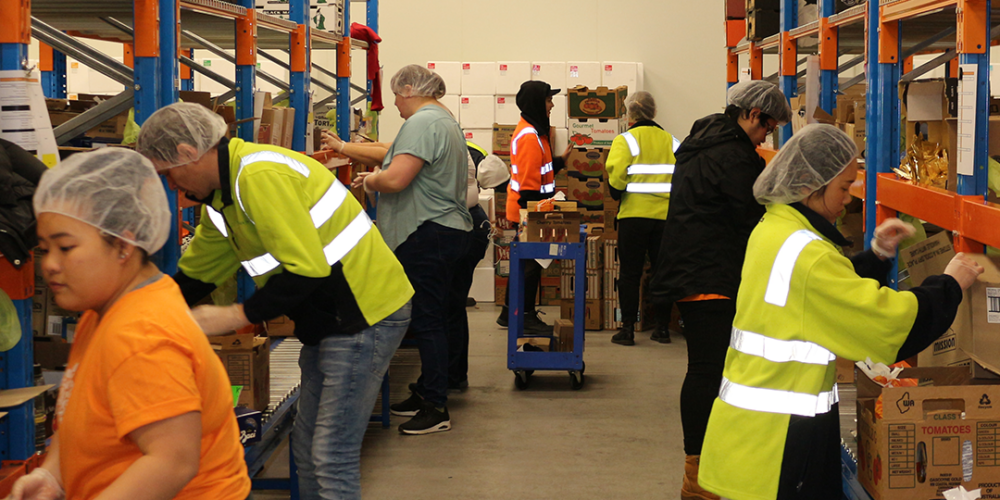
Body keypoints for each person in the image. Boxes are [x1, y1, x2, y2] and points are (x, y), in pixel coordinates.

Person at [135, 102, 413, 499]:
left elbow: (307, 270)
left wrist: (233, 314)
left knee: (331, 454)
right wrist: (141, 311)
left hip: (364, 314)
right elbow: (197, 274)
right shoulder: (221, 198)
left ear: (187, 153)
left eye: (169, 174)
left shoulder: (258, 175)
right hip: (329, 317)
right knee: (306, 446)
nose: (172, 187)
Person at [699, 124, 982, 499]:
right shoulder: (808, 255)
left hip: (753, 434)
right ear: (807, 185)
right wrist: (950, 285)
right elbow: (889, 324)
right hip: (780, 446)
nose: (849, 199)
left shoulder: (777, 229)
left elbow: (822, 295)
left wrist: (878, 255)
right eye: (843, 188)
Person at [12, 148, 250, 500]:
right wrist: (53, 473)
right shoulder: (106, 311)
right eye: (45, 249)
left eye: (65, 247)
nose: (49, 265)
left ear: (123, 245)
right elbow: (79, 411)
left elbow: (171, 461)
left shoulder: (142, 334)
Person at [648, 79, 791, 499]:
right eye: (767, 126)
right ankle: (697, 476)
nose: (767, 135)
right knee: (707, 370)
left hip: (695, 268)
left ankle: (705, 469)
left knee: (707, 369)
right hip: (708, 274)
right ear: (751, 115)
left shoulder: (704, 141)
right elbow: (752, 215)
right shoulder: (732, 156)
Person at [345, 64, 472, 435]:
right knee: (437, 316)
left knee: (427, 319)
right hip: (443, 231)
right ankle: (427, 391)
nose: (396, 103)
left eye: (397, 95)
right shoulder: (443, 120)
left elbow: (397, 178)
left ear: (412, 88)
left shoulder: (422, 122)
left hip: (426, 232)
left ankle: (436, 406)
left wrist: (369, 181)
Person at [604, 91, 679, 346]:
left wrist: (619, 193)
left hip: (634, 217)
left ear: (629, 114)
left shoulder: (624, 140)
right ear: (654, 112)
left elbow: (616, 179)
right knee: (662, 271)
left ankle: (626, 328)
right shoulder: (672, 142)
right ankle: (662, 328)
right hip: (666, 218)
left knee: (630, 273)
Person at [498, 80, 570, 334]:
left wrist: (560, 161)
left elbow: (541, 171)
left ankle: (509, 312)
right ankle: (524, 314)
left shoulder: (537, 132)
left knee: (528, 264)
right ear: (537, 103)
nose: (551, 105)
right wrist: (534, 219)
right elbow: (529, 183)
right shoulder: (530, 136)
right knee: (530, 266)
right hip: (528, 210)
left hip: (533, 208)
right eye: (549, 100)